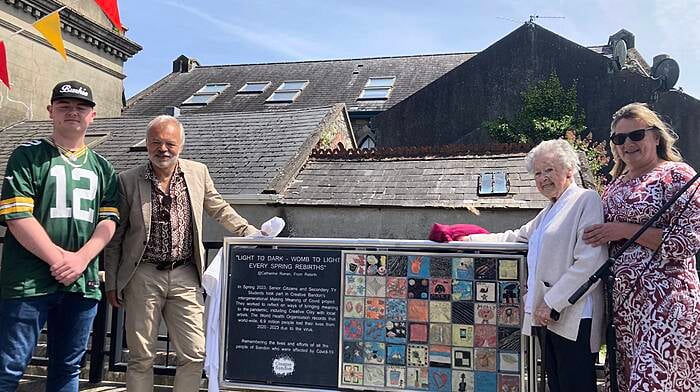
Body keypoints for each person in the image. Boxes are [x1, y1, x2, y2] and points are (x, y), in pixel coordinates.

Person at [104, 115, 261, 392]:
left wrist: (248, 231)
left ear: (181, 145)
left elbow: (218, 208)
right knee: (141, 357)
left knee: (194, 353)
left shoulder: (197, 172)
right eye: (155, 142)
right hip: (143, 275)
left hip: (185, 274)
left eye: (169, 143)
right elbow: (116, 236)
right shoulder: (127, 180)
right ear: (147, 145)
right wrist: (113, 281)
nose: (162, 149)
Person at [460, 140, 607, 392]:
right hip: (546, 313)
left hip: (571, 313)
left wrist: (553, 302)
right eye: (537, 173)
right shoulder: (548, 210)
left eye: (549, 170)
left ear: (569, 169)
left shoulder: (585, 200)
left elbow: (591, 261)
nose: (542, 178)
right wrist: (465, 238)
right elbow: (515, 237)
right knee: (557, 384)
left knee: (576, 384)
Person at [0, 81, 119, 391]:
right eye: (64, 106)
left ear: (93, 115)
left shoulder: (104, 168)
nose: (73, 112)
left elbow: (108, 220)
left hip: (82, 282)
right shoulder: (27, 156)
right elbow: (17, 216)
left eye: (80, 107)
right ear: (50, 111)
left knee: (68, 368)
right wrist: (58, 259)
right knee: (9, 366)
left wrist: (80, 259)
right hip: (29, 280)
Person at [583, 103, 700, 391]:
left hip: (665, 303)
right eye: (619, 139)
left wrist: (622, 231)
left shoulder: (677, 175)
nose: (627, 144)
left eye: (636, 135)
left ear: (656, 137)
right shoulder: (615, 184)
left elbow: (685, 241)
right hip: (623, 309)